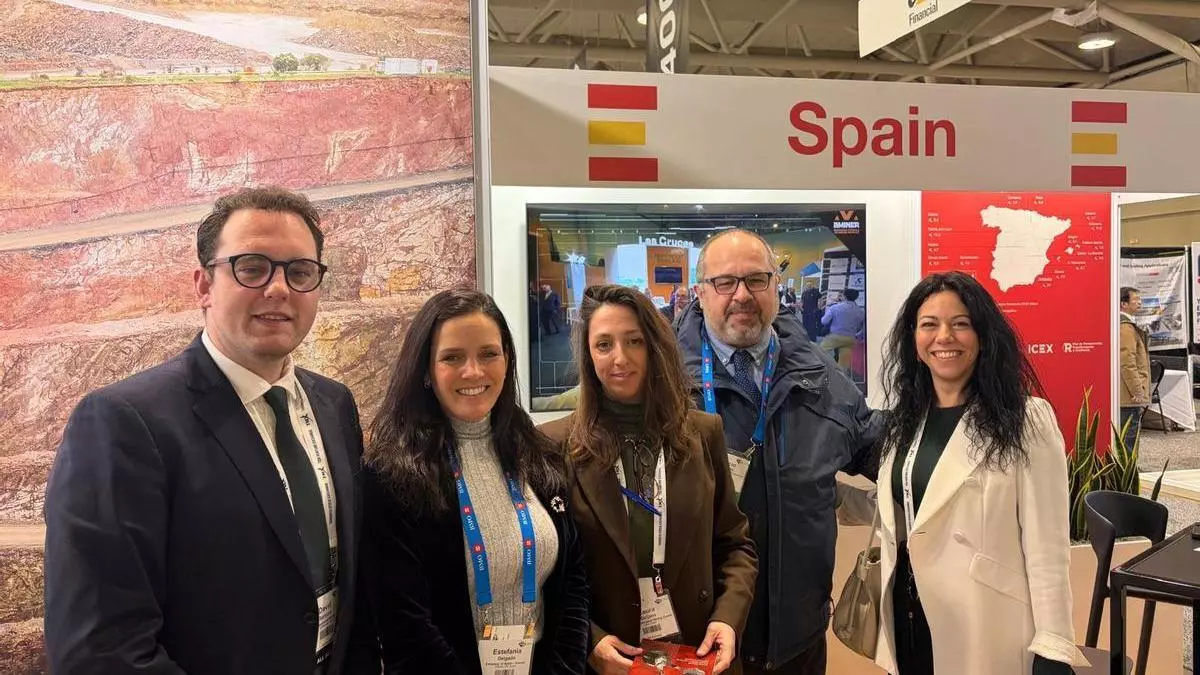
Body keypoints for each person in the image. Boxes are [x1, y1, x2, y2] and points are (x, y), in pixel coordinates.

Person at [44, 186, 375, 674]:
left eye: (300, 271)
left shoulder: (334, 404)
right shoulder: (123, 423)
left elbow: (346, 587)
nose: (279, 288)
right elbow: (100, 649)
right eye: (252, 267)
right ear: (204, 285)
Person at [674, 229, 883, 675]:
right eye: (725, 282)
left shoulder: (816, 372)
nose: (742, 295)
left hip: (797, 637)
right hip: (699, 641)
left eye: (756, 279)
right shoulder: (666, 383)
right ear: (700, 293)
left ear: (776, 286)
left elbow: (875, 448)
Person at [358, 289, 589, 674]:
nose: (473, 372)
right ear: (426, 370)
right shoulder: (392, 476)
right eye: (452, 357)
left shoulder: (538, 453)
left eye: (488, 354)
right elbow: (404, 626)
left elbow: (573, 581)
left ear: (507, 360)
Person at [873, 271, 1087, 675]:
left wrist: (1054, 644)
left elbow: (1048, 548)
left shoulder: (1026, 420)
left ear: (983, 336)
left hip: (986, 623)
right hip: (909, 615)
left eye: (960, 324)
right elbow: (912, 507)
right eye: (929, 324)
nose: (944, 337)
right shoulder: (906, 421)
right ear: (913, 340)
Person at [541, 284, 757, 675]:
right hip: (610, 661)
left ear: (654, 347)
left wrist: (728, 619)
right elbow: (546, 571)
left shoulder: (703, 433)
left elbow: (735, 544)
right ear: (588, 355)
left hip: (697, 653)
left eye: (634, 341)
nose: (619, 358)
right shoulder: (554, 446)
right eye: (603, 345)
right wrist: (588, 640)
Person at [1118, 286, 1150, 451]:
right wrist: (1137, 390)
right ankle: (1128, 466)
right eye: (1135, 299)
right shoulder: (1125, 327)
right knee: (1128, 438)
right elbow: (1127, 361)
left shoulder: (1127, 325)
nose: (1140, 302)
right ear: (1123, 304)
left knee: (1128, 435)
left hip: (1127, 393)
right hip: (1128, 395)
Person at [820, 288, 866, 370]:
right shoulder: (860, 312)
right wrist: (857, 335)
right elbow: (864, 328)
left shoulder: (835, 308)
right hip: (850, 338)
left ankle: (824, 369)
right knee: (843, 365)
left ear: (844, 296)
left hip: (835, 337)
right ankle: (840, 374)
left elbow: (824, 321)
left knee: (819, 352)